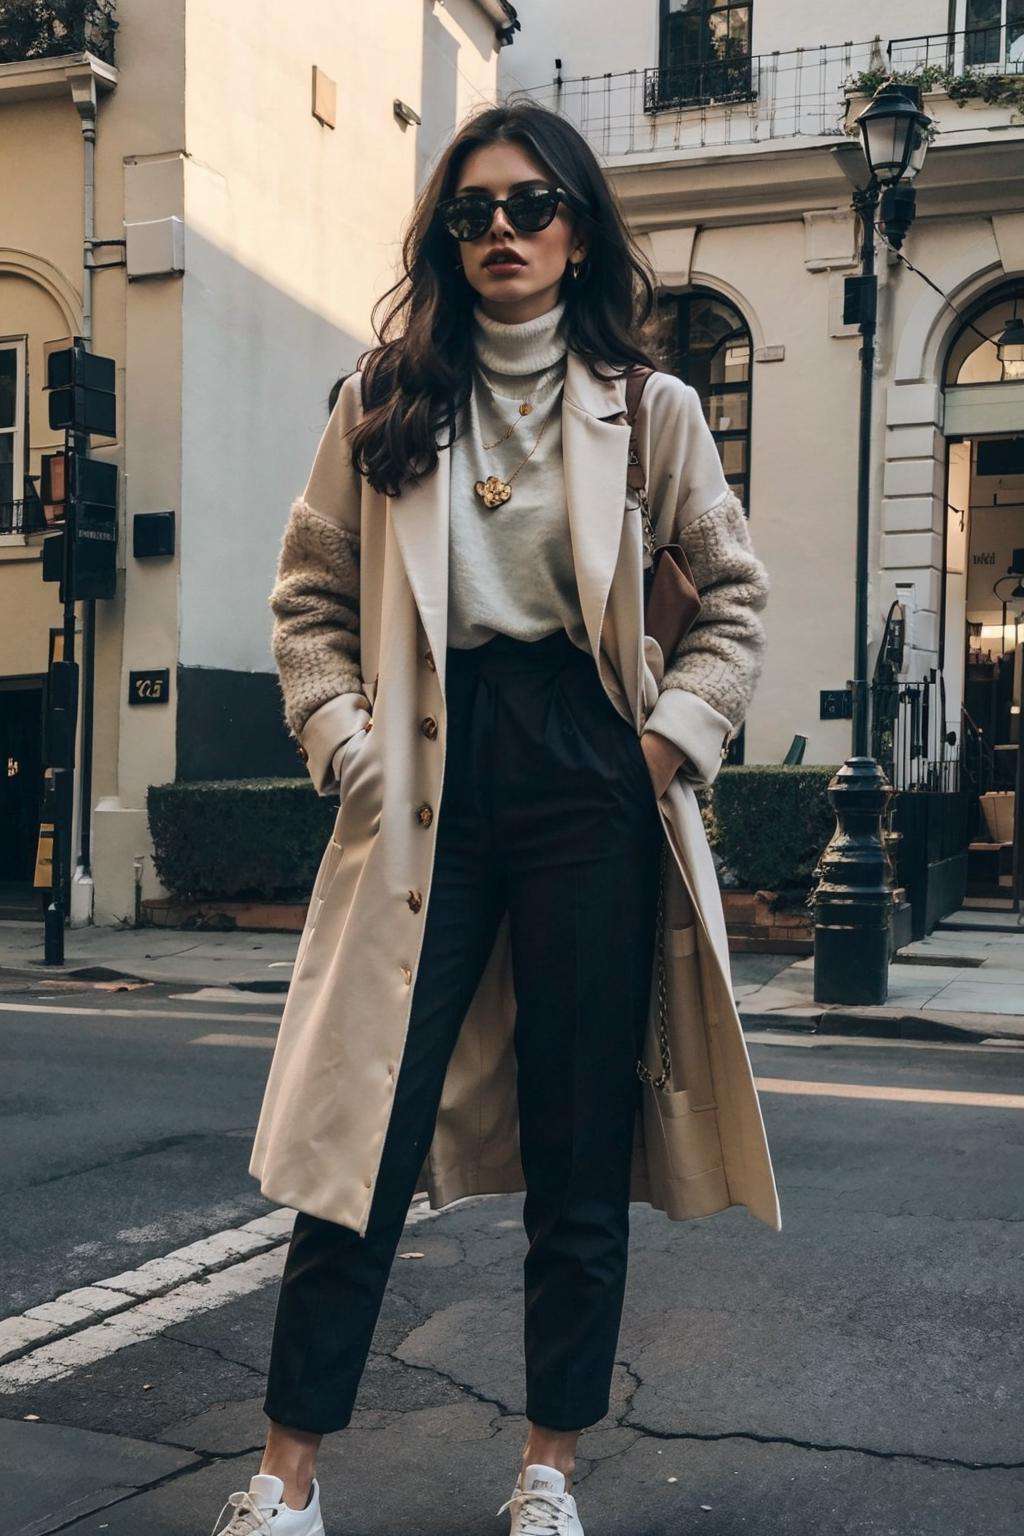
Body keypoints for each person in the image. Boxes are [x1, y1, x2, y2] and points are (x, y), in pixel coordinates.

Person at [211, 100, 774, 1536]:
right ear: (446, 241)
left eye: (530, 206)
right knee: (364, 1139)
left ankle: (548, 1469)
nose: (503, 232)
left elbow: (734, 599)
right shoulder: (383, 399)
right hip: (428, 771)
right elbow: (309, 599)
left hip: (589, 776)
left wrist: (657, 755)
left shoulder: (649, 409)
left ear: (577, 227)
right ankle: (286, 1476)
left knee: (578, 1144)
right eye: (474, 213)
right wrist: (348, 749)